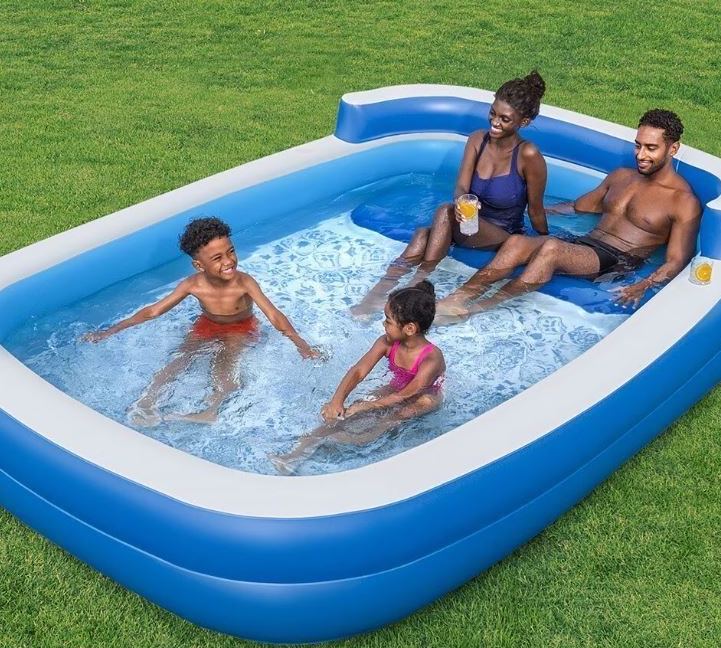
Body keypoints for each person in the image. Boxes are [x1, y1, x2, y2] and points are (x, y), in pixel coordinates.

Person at [434, 108, 702, 322]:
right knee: (516, 242)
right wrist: (531, 210)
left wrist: (642, 285)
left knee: (551, 249)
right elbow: (577, 207)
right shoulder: (622, 177)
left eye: (651, 148)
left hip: (617, 260)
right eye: (638, 145)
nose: (640, 155)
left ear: (673, 149)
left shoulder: (682, 201)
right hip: (585, 245)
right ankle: (456, 299)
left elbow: (676, 260)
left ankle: (477, 309)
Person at [82, 216, 321, 425]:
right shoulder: (192, 285)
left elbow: (273, 314)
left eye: (231, 251)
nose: (228, 261)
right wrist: (109, 332)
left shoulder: (244, 282)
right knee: (180, 357)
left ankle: (211, 411)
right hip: (207, 325)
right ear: (199, 265)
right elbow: (153, 311)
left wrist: (300, 343)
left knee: (225, 362)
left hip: (240, 328)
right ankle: (147, 402)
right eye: (217, 258)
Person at [349, 71, 549, 317]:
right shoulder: (477, 140)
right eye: (493, 113)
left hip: (501, 233)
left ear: (523, 122)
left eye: (504, 119)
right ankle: (374, 297)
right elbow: (461, 187)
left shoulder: (528, 155)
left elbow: (535, 210)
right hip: (467, 224)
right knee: (422, 236)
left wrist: (543, 242)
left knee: (444, 212)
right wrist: (462, 201)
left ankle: (416, 287)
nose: (495, 122)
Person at [271, 281, 445, 473]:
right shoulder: (386, 343)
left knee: (395, 416)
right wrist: (337, 401)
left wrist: (371, 406)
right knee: (352, 410)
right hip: (396, 387)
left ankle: (354, 440)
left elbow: (406, 394)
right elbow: (358, 371)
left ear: (410, 328)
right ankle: (293, 457)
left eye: (388, 320)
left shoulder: (431, 359)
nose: (383, 324)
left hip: (423, 396)